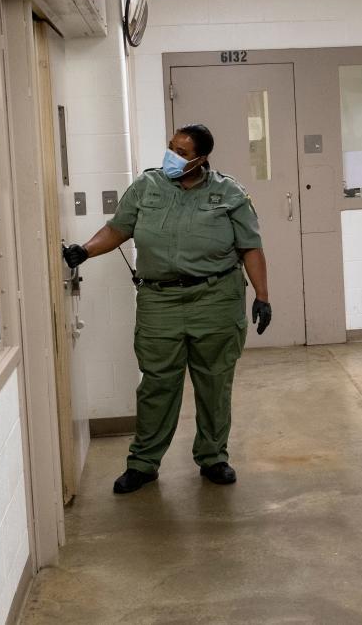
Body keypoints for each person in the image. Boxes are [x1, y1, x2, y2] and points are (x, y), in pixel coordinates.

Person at [62, 124, 272, 494]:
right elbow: (118, 228)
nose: (172, 156)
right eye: (171, 147)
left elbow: (250, 247)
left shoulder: (230, 193)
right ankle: (143, 463)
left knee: (214, 382)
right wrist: (86, 250)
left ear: (202, 158)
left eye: (183, 152)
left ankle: (213, 457)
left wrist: (263, 296)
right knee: (157, 383)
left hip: (215, 298)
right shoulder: (147, 186)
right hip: (159, 301)